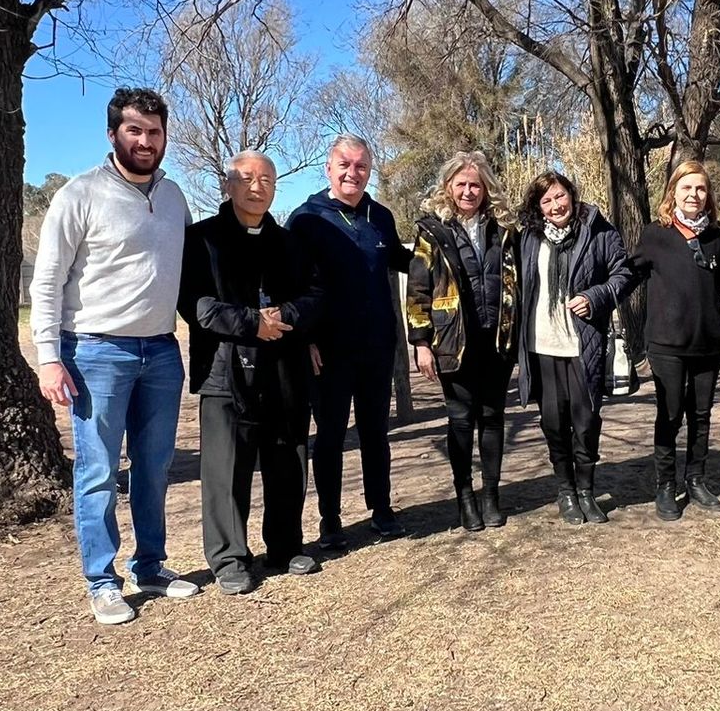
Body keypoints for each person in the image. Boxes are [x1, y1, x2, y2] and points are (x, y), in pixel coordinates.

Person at [29, 87, 199, 625]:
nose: (145, 141)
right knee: (99, 469)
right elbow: (49, 279)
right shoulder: (78, 195)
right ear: (112, 134)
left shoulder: (173, 197)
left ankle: (150, 564)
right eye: (134, 131)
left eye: (154, 132)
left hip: (162, 350)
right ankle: (102, 580)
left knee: (153, 466)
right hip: (96, 351)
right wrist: (49, 356)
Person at [179, 151, 322, 595]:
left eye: (266, 179)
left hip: (284, 367)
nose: (257, 186)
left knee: (287, 459)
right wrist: (250, 321)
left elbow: (316, 294)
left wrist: (290, 314)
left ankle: (284, 545)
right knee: (226, 469)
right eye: (246, 178)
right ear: (228, 184)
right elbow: (196, 304)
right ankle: (229, 558)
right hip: (226, 371)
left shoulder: (291, 242)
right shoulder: (201, 239)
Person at [286, 134, 411, 549]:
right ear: (328, 168)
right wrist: (304, 340)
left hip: (377, 347)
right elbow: (291, 288)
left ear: (369, 171)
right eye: (344, 164)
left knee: (376, 432)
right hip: (329, 351)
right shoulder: (306, 219)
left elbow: (405, 260)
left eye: (360, 166)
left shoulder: (381, 216)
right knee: (331, 437)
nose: (352, 173)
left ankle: (382, 511)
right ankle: (331, 520)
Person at [405, 152, 522, 533]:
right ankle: (465, 497)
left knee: (492, 417)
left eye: (475, 184)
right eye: (461, 184)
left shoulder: (503, 228)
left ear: (485, 187)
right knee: (460, 419)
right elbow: (418, 289)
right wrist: (421, 342)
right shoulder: (432, 231)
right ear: (449, 188)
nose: (469, 191)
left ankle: (491, 495)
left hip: (497, 338)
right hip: (453, 341)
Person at [515, 172, 635, 525]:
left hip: (583, 345)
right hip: (543, 347)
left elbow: (624, 274)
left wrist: (595, 297)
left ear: (572, 194)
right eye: (546, 201)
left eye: (559, 196)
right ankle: (565, 491)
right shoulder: (528, 238)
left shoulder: (598, 231)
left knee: (585, 422)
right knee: (553, 422)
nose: (555, 206)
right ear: (539, 208)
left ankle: (586, 490)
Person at [630, 160, 720, 521]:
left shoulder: (716, 236)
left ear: (708, 196)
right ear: (672, 192)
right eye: (686, 188)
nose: (694, 194)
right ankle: (665, 484)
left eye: (701, 188)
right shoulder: (655, 234)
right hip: (667, 344)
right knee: (670, 414)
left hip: (709, 342)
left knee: (701, 415)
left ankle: (697, 479)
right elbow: (630, 275)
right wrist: (598, 296)